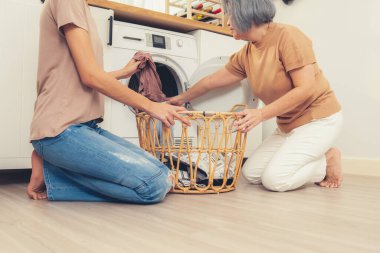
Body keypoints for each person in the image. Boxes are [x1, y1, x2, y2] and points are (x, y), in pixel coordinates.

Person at [168, 0, 343, 192]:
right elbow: (211, 81)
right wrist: (181, 98)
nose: (227, 22)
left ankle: (327, 161)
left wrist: (261, 114)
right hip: (287, 125)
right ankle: (308, 158)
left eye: (231, 15)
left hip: (318, 119)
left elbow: (306, 88)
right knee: (250, 173)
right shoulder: (247, 53)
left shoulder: (288, 36)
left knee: (275, 180)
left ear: (246, 15)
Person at [27, 0, 189, 203]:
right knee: (153, 186)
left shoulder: (79, 6)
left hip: (85, 127)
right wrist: (151, 106)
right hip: (60, 130)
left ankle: (52, 165)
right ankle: (54, 176)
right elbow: (91, 77)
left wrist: (123, 73)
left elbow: (80, 76)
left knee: (165, 173)